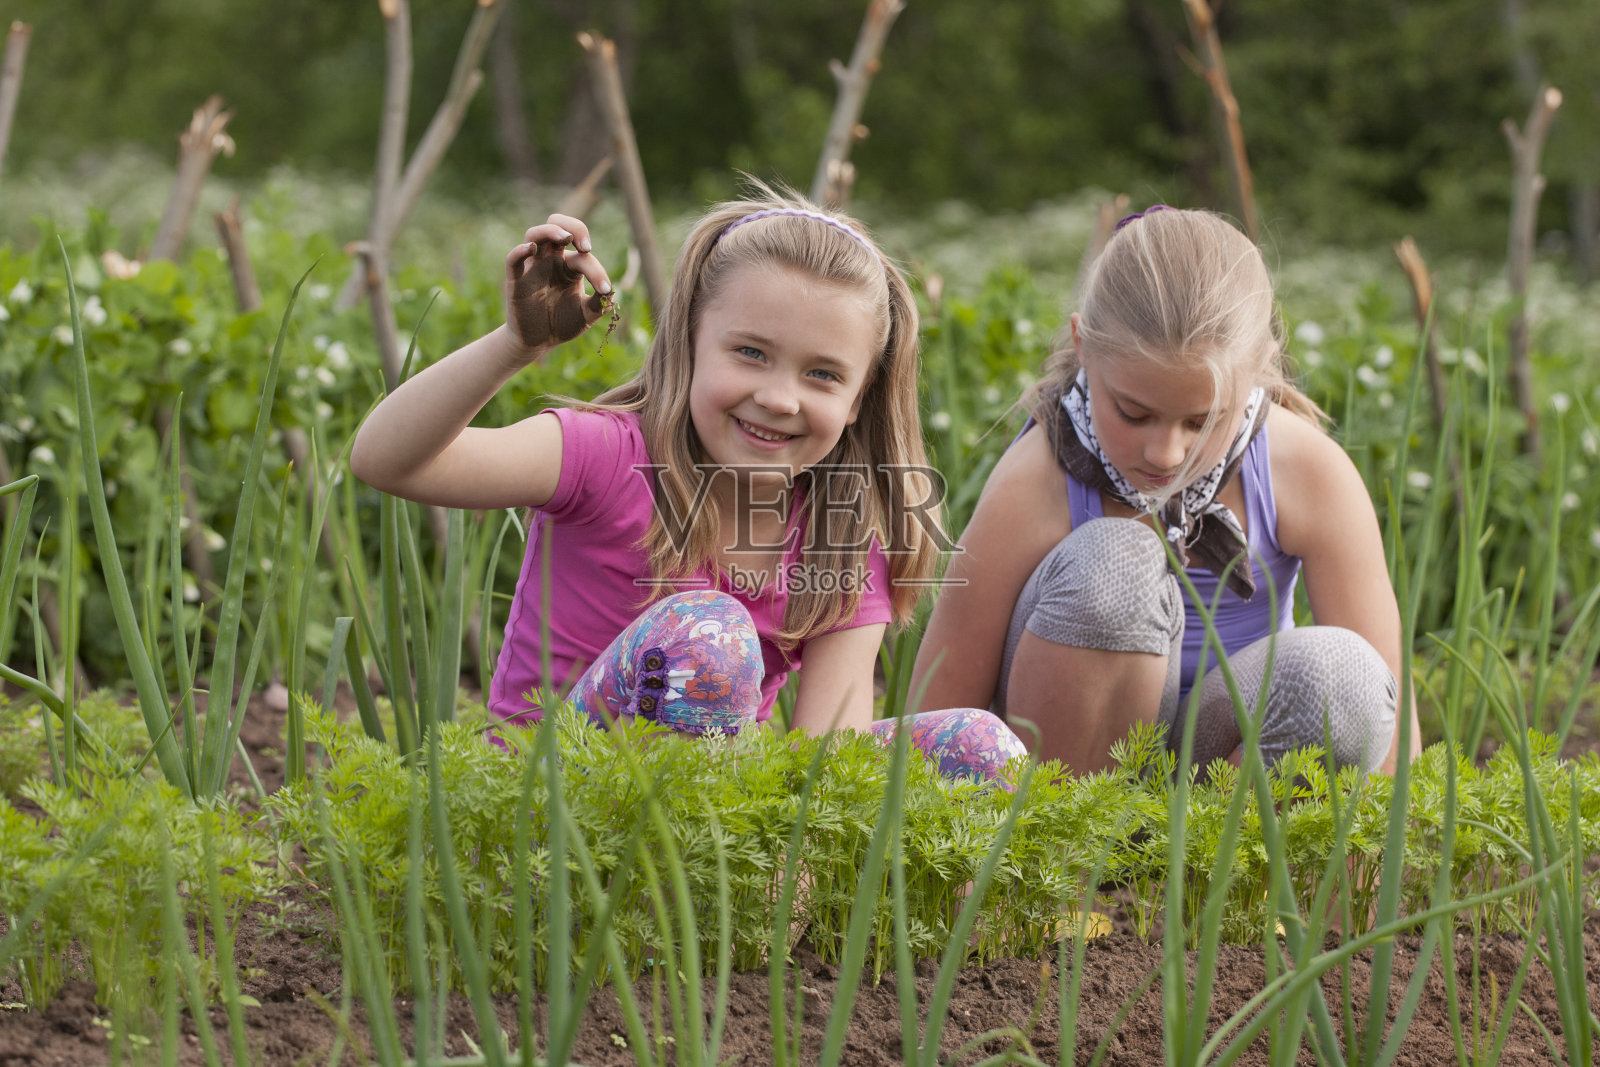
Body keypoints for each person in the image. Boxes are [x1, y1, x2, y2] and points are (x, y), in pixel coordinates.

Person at [350, 189, 1025, 782]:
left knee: (980, 746)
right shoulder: (606, 454)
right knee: (713, 632)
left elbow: (828, 767)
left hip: (719, 851)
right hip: (545, 819)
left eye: (822, 374)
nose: (779, 397)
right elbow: (388, 462)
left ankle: (897, 929)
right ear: (691, 340)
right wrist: (515, 345)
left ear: (858, 399)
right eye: (751, 352)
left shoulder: (841, 537)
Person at [908, 205, 1418, 777]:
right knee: (1118, 563)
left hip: (1217, 773)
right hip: (1066, 773)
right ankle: (1074, 860)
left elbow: (1390, 728)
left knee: (1346, 679)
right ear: (1083, 346)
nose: (1166, 454)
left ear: (1261, 370)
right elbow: (939, 716)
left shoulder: (1304, 469)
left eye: (1201, 421)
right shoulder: (1039, 477)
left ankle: (1211, 868)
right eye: (1133, 412)